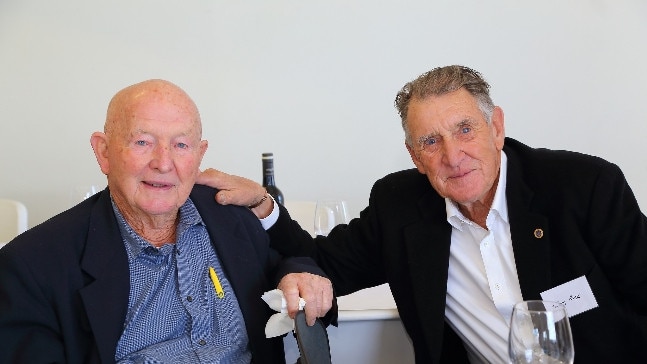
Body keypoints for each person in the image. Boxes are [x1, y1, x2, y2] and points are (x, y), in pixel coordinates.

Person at [197, 65, 647, 363]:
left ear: (497, 128)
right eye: (431, 141)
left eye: (465, 129)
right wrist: (263, 205)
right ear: (415, 155)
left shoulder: (583, 187)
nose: (453, 155)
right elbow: (320, 262)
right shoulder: (401, 208)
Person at [0, 79, 334, 364]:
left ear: (200, 156)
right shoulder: (34, 265)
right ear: (103, 152)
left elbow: (282, 264)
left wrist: (302, 275)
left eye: (181, 145)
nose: (163, 163)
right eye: (142, 142)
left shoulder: (230, 217)